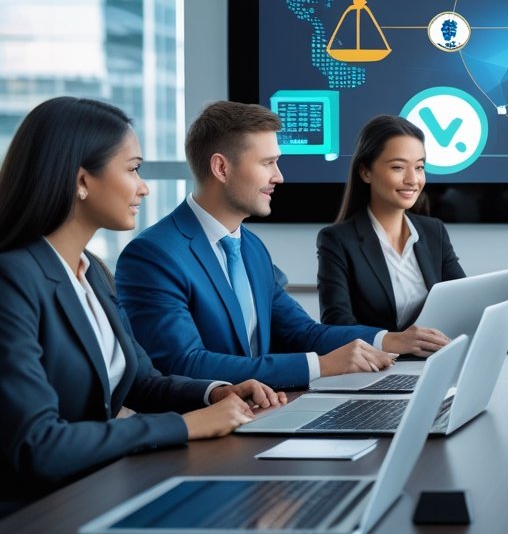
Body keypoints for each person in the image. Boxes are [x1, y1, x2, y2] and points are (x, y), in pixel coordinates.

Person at [0, 97, 285, 515]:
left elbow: (142, 382)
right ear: (82, 180)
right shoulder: (13, 279)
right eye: (132, 169)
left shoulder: (92, 272)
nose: (144, 187)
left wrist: (215, 393)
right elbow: (38, 444)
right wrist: (185, 426)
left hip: (99, 488)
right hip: (39, 515)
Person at [116, 101, 429, 390]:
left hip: (262, 412)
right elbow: (181, 364)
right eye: (268, 163)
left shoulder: (251, 248)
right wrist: (318, 366)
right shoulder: (154, 254)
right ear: (221, 168)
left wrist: (391, 340)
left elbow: (302, 333)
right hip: (200, 434)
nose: (279, 176)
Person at [316, 115, 462, 351]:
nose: (412, 180)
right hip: (376, 368)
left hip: (436, 360)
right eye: (398, 167)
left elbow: (464, 300)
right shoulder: (337, 239)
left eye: (419, 167)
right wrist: (395, 343)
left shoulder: (433, 231)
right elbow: (336, 325)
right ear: (365, 172)